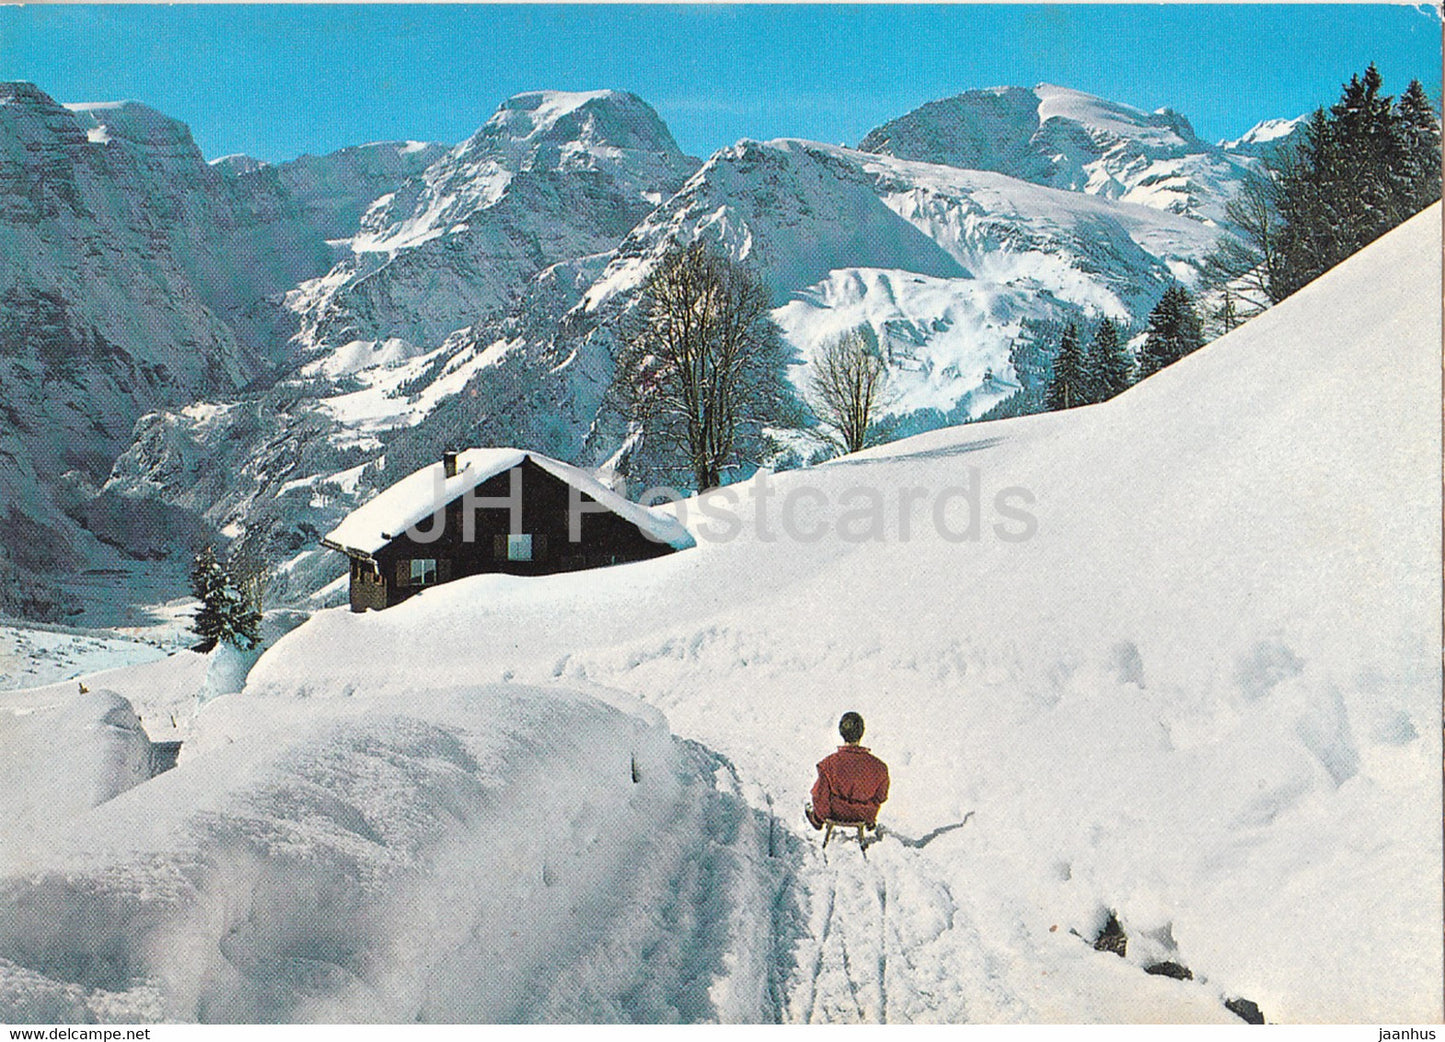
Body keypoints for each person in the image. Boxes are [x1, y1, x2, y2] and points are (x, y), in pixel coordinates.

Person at [805, 711, 889, 830]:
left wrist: (819, 818)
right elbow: (881, 796)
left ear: (841, 732)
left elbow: (820, 796)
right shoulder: (880, 767)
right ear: (862, 732)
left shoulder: (828, 764)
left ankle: (817, 820)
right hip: (865, 814)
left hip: (837, 813)